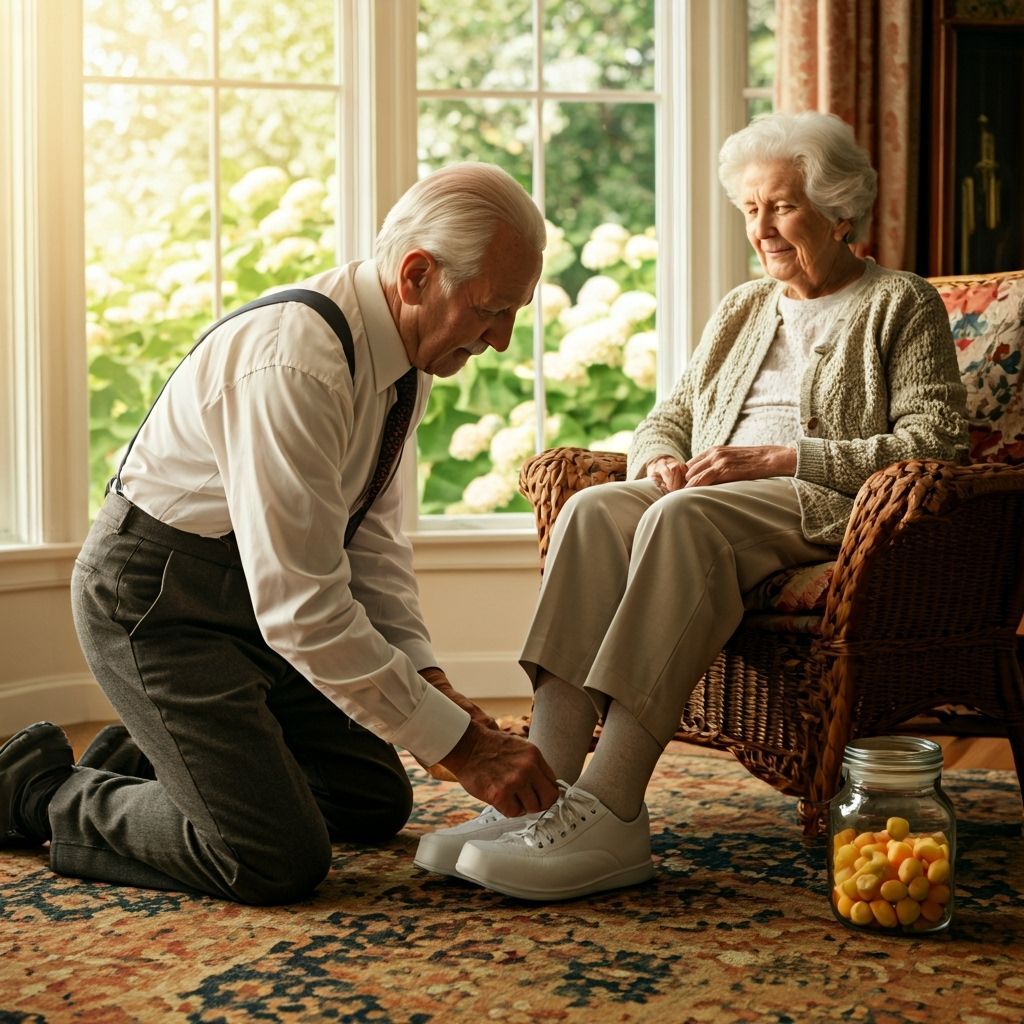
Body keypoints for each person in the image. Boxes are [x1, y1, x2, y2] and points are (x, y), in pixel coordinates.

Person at [414, 111, 970, 901]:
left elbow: (937, 443)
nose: (762, 229)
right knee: (597, 510)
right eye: (750, 209)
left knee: (681, 520)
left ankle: (610, 809)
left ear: (838, 208)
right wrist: (659, 460)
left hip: (821, 504)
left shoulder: (899, 303)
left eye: (781, 206)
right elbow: (667, 416)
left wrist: (786, 456)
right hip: (709, 493)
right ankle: (538, 794)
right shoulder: (743, 309)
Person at [0, 162, 561, 903]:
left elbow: (372, 548)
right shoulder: (297, 362)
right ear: (417, 273)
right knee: (271, 857)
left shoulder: (408, 360)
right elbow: (303, 609)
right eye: (492, 310)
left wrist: (432, 685)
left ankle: (144, 756)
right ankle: (36, 790)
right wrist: (467, 748)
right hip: (159, 606)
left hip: (259, 610)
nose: (501, 340)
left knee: (371, 801)